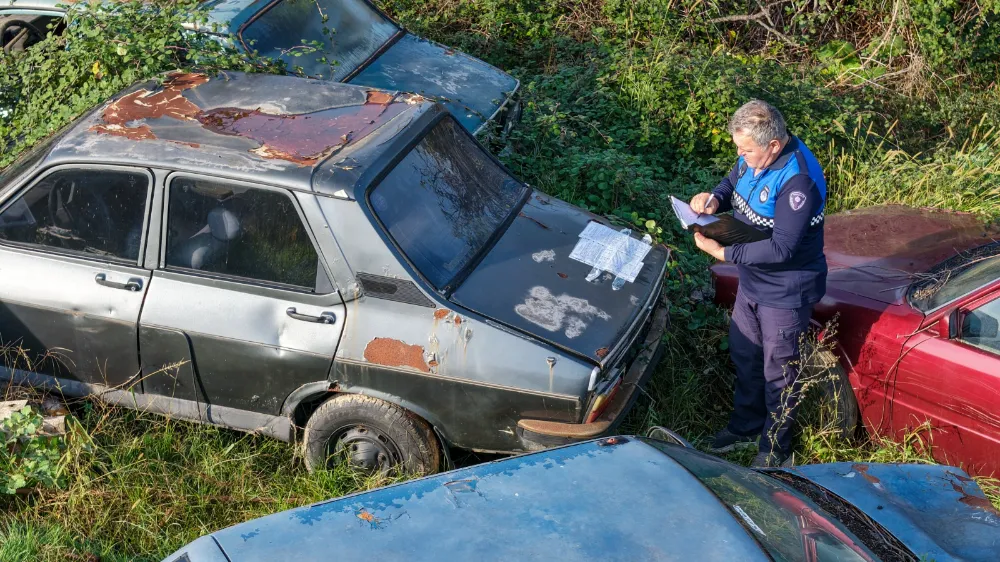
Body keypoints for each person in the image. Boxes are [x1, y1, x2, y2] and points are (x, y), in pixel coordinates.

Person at [690, 100, 827, 467]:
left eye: (746, 149)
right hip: (752, 282)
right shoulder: (753, 157)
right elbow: (731, 181)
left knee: (779, 373)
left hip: (785, 289)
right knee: (746, 354)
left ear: (773, 146)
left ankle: (775, 450)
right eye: (739, 147)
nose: (740, 155)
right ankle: (745, 427)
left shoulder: (798, 180)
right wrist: (713, 199)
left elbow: (782, 249)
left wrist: (724, 254)